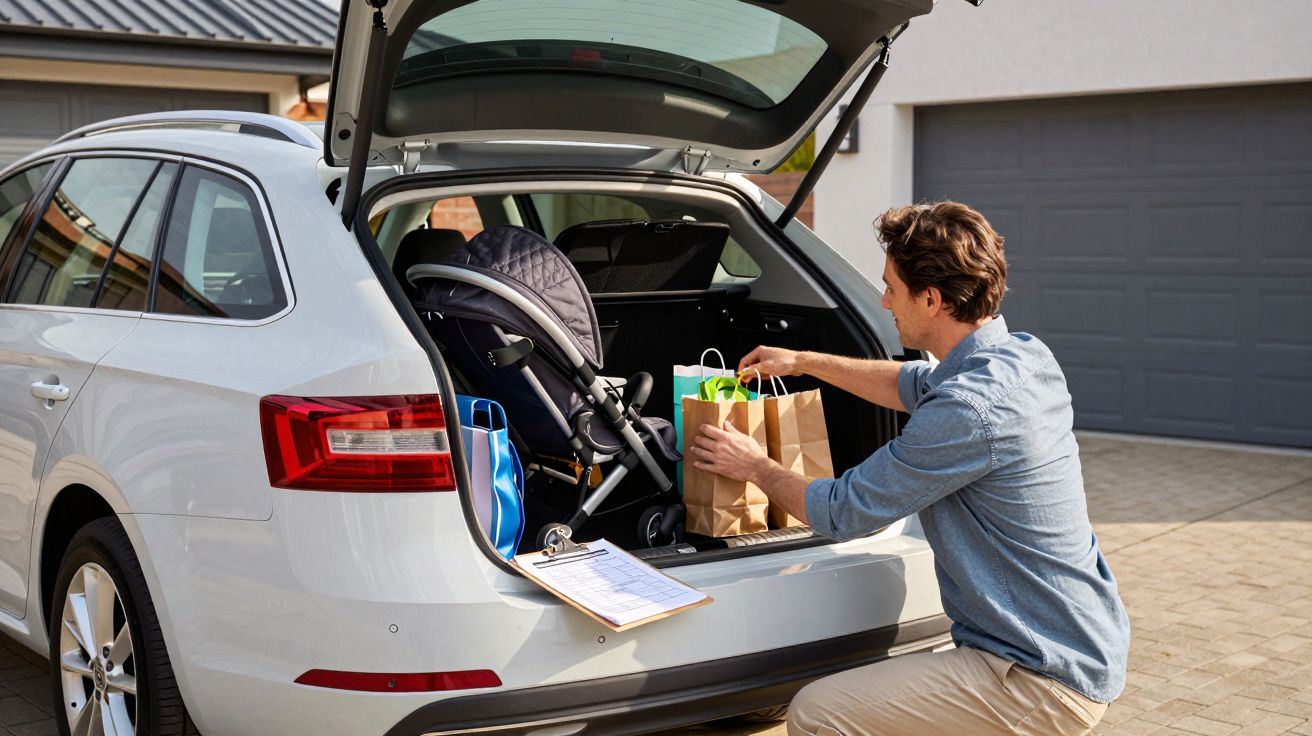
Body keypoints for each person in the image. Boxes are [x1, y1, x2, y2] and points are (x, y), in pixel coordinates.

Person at [690, 202, 1130, 735]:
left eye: (891, 288)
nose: (882, 301)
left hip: (1037, 676)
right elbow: (908, 383)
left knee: (817, 711)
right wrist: (804, 361)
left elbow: (844, 511)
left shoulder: (969, 411)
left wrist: (753, 464)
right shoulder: (1020, 358)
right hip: (1075, 643)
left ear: (931, 298)